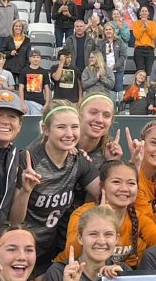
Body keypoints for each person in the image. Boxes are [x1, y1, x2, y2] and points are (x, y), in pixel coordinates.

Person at [21, 101, 101, 272]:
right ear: (46, 129)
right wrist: (25, 192)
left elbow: (103, 193)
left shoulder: (78, 159)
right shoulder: (29, 160)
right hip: (23, 248)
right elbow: (14, 219)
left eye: (74, 127)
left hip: (51, 250)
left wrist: (123, 163)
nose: (69, 134)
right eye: (61, 127)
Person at [55, 159, 156, 268]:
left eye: (131, 183)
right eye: (116, 182)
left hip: (114, 276)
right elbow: (73, 253)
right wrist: (99, 220)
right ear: (102, 186)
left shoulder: (139, 218)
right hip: (70, 272)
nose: (124, 189)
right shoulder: (82, 213)